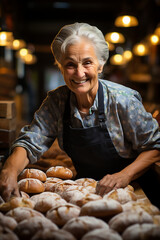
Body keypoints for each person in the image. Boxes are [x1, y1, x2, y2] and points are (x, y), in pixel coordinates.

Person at [0, 22, 160, 206]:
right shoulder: (57, 101)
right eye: (70, 64)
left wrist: (125, 175)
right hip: (89, 191)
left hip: (136, 192)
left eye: (87, 62)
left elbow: (155, 146)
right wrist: (9, 171)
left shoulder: (122, 100)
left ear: (100, 66)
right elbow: (31, 141)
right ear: (60, 68)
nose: (79, 73)